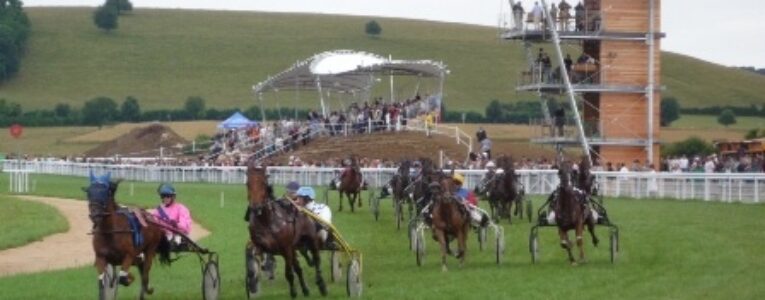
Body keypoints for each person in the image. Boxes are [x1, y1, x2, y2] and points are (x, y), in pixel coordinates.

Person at [152, 183, 192, 250]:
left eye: (168, 196)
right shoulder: (158, 210)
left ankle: (174, 243)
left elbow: (186, 226)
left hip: (177, 235)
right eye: (163, 196)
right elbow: (154, 221)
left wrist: (176, 225)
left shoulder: (181, 208)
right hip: (163, 235)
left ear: (173, 197)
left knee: (176, 237)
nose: (166, 198)